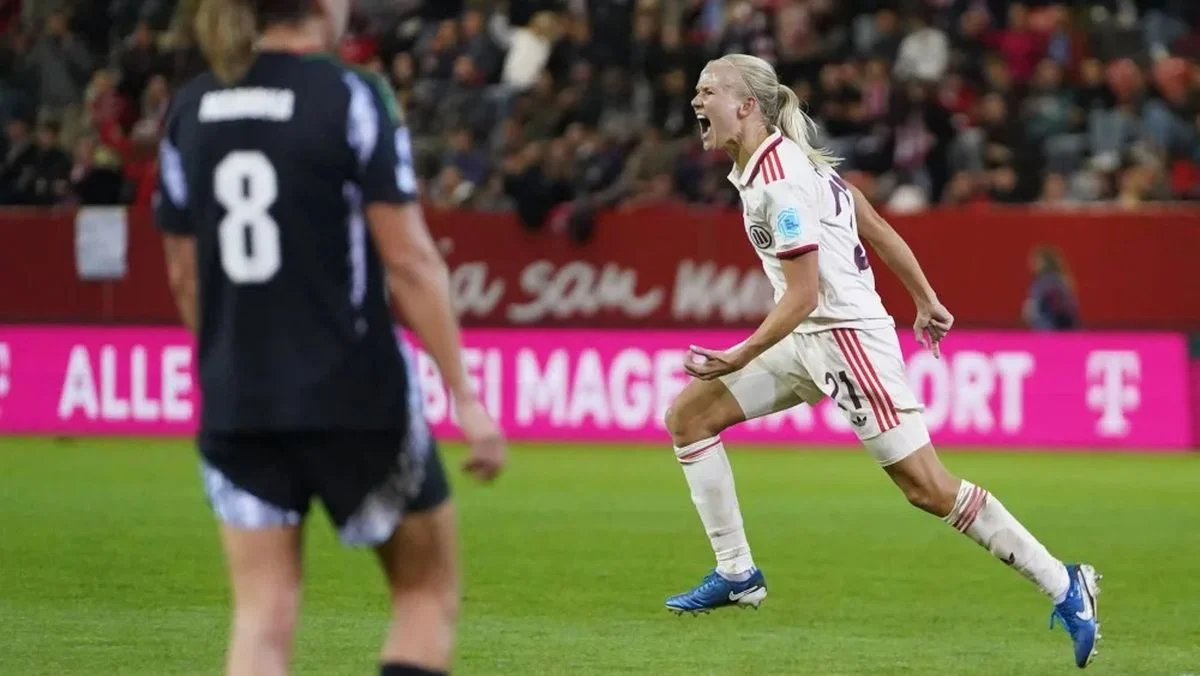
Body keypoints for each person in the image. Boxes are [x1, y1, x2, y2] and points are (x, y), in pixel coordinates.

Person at [665, 54, 1101, 669]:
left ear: (746, 105)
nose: (696, 101)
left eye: (707, 90)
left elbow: (804, 295)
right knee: (688, 418)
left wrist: (739, 353)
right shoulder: (784, 161)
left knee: (927, 488)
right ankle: (737, 573)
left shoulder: (780, 179)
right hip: (809, 338)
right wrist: (925, 298)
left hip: (845, 339)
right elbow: (868, 219)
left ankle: (1064, 581)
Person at [155, 1, 508, 675]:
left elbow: (182, 273)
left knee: (261, 616)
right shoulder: (352, 95)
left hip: (240, 400)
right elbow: (409, 260)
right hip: (353, 392)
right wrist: (464, 397)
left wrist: (226, 363)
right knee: (425, 595)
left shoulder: (190, 106)